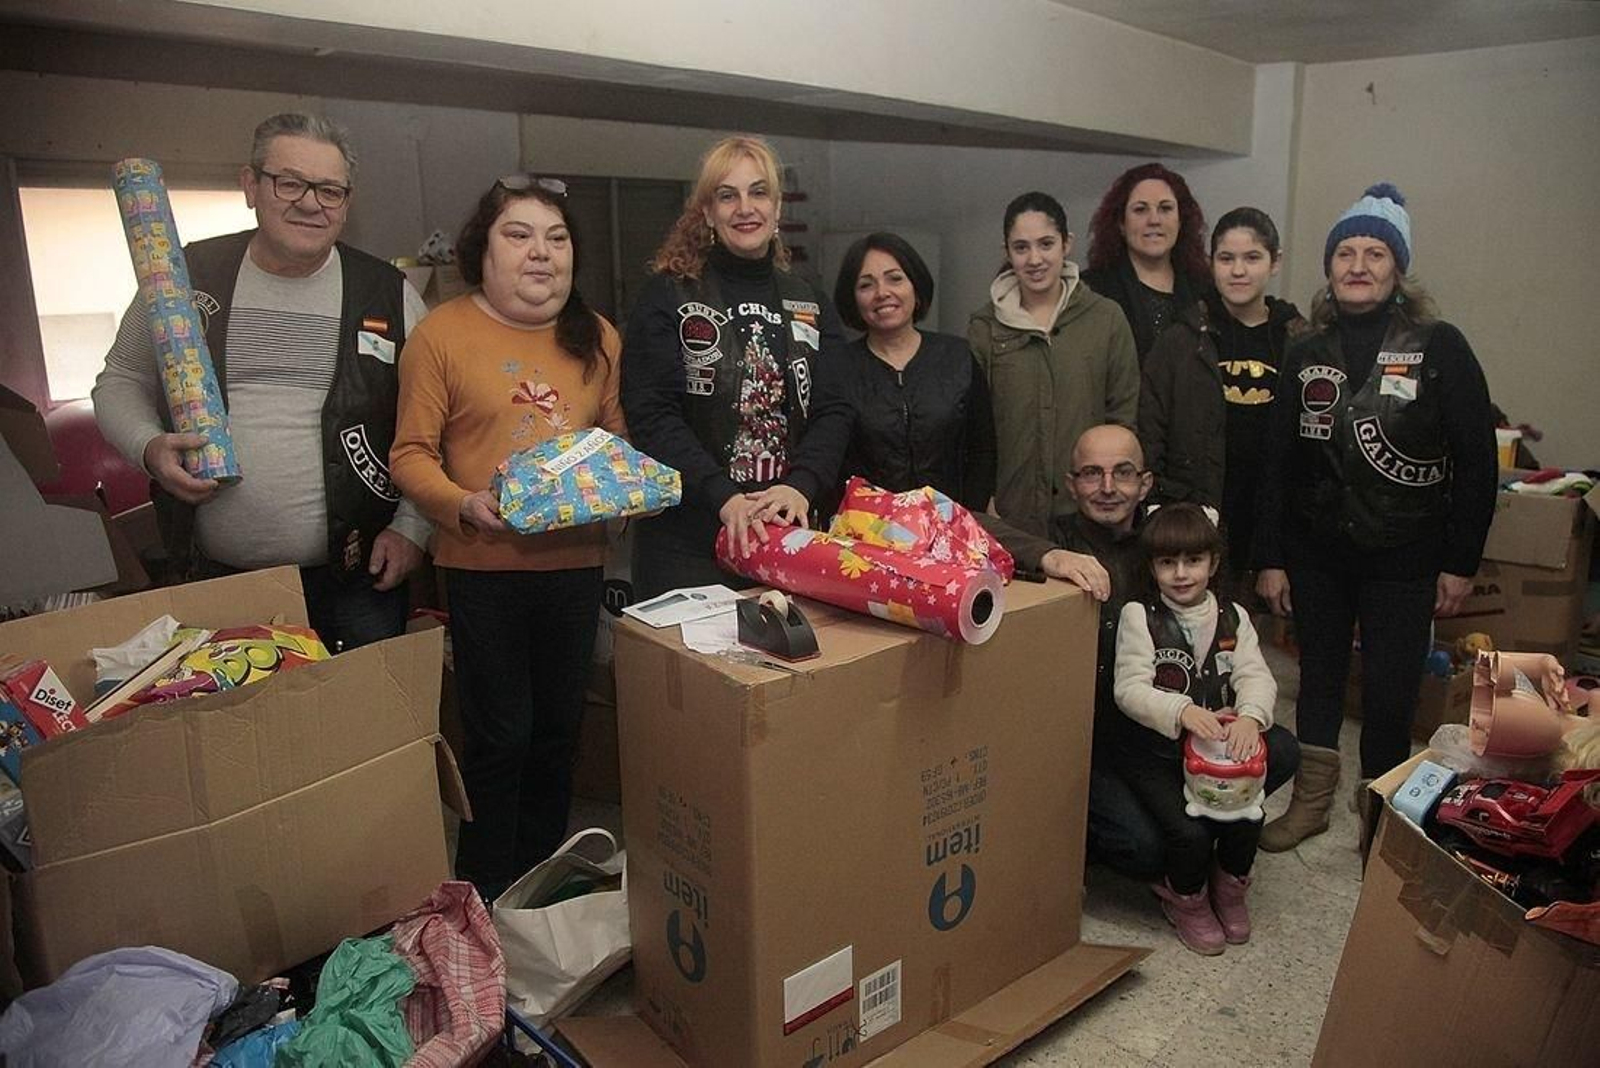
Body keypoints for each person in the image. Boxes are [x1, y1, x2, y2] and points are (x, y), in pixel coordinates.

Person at [93, 112, 429, 650]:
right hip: (216, 577)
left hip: (358, 576)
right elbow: (120, 379)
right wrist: (148, 446)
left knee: (365, 728)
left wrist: (414, 527)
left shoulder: (388, 293)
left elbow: (433, 418)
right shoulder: (186, 275)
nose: (310, 202)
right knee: (237, 728)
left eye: (330, 189)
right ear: (251, 185)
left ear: (347, 202)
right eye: (289, 182)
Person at [390, 174, 626, 899]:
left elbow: (614, 436)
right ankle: (485, 897)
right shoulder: (440, 335)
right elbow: (409, 455)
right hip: (483, 568)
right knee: (500, 741)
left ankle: (542, 889)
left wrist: (623, 489)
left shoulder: (597, 336)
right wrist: (464, 505)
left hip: (575, 566)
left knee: (559, 734)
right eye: (518, 235)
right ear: (481, 251)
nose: (540, 254)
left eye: (556, 239)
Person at [1253, 183, 1497, 851]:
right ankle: (1309, 804)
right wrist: (1271, 555)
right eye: (1345, 253)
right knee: (1318, 681)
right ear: (1329, 268)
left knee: (1391, 695)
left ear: (1398, 270)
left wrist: (1460, 561)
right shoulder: (1304, 351)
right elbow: (1276, 460)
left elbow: (1478, 460)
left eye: (1375, 253)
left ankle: (1383, 819)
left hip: (1406, 554)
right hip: (1317, 552)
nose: (1358, 265)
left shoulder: (1439, 346)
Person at [980, 423, 1299, 879]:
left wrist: (1242, 711)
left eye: (1123, 473)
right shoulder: (1054, 531)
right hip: (1102, 736)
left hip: (1180, 725)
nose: (1108, 488)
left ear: (1145, 483)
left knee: (1281, 748)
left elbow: (1233, 640)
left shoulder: (1169, 542)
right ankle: (1146, 833)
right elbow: (970, 521)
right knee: (1147, 852)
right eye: (1091, 474)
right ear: (1071, 484)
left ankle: (1206, 825)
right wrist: (1049, 556)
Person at [621, 135, 852, 599]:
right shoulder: (667, 296)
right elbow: (651, 413)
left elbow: (836, 409)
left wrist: (801, 487)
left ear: (778, 207)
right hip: (688, 542)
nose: (745, 207)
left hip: (788, 535)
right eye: (728, 195)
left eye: (758, 191)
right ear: (707, 212)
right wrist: (721, 495)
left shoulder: (808, 299)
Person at [1112, 503, 1275, 955]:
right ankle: (1186, 898)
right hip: (1156, 751)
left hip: (1215, 750)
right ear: (1152, 568)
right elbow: (1128, 688)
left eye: (1193, 561)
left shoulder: (1234, 616)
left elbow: (1255, 675)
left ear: (1213, 563)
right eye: (1168, 563)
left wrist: (1250, 715)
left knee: (1249, 813)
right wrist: (1180, 710)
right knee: (1190, 832)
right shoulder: (1138, 617)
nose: (1181, 574)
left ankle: (1230, 887)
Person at [1139, 207, 1307, 584]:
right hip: (1195, 516)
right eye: (1226, 258)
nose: (1238, 271)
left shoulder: (1299, 342)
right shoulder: (1179, 340)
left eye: (1252, 258)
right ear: (1211, 263)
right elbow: (1151, 430)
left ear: (1275, 262)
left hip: (1274, 521)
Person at [968, 192, 1138, 539]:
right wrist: (983, 495)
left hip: (1089, 514)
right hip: (1010, 514)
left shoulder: (1105, 318)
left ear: (1067, 244)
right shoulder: (985, 326)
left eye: (1046, 244)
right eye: (1021, 247)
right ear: (1007, 252)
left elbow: (1124, 415)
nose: (1035, 259)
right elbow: (975, 427)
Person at [832, 231, 995, 510]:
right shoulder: (837, 368)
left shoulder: (957, 358)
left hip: (952, 531)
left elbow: (983, 451)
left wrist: (968, 517)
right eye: (866, 285)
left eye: (895, 278)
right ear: (853, 299)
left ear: (915, 286)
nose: (882, 293)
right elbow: (829, 461)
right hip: (865, 536)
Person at [1081, 163, 1211, 361]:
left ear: (1181, 221)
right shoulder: (1092, 290)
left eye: (1165, 208)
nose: (1154, 220)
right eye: (1140, 210)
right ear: (1121, 224)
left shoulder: (1206, 288)